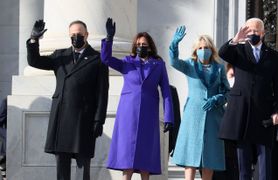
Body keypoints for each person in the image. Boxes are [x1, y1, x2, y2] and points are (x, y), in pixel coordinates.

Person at [26, 19, 109, 180]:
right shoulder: (60, 55)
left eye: (79, 34)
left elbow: (102, 92)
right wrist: (34, 39)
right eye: (73, 35)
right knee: (62, 169)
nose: (76, 37)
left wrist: (99, 120)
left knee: (82, 168)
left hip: (84, 120)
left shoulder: (97, 59)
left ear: (86, 35)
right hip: (62, 118)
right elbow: (34, 61)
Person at [101, 18, 174, 180]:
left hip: (149, 113)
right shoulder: (127, 62)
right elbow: (106, 59)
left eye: (144, 44)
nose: (141, 47)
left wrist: (169, 116)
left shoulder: (158, 65)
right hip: (128, 113)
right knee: (126, 157)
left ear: (150, 47)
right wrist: (109, 39)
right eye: (139, 44)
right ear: (135, 46)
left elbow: (167, 91)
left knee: (145, 157)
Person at [218, 17, 278, 180]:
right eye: (249, 30)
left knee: (264, 165)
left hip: (264, 114)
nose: (252, 34)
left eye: (255, 31)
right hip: (242, 113)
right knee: (243, 165)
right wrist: (235, 40)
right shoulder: (238, 51)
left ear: (262, 33)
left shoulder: (273, 56)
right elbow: (222, 53)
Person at [169, 26, 230, 180]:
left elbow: (228, 92)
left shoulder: (219, 68)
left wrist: (218, 99)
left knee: (209, 158)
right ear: (196, 50)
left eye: (207, 47)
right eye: (200, 48)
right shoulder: (190, 65)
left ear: (212, 49)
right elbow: (174, 62)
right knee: (190, 158)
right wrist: (174, 45)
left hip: (213, 116)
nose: (204, 50)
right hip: (193, 115)